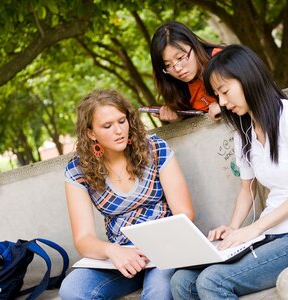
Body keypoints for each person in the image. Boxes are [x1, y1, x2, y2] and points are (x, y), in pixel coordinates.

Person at [170, 44, 288, 299]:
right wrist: (233, 227)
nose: (223, 103)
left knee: (211, 282)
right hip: (268, 232)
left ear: (247, 78)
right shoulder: (246, 131)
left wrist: (255, 228)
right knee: (181, 281)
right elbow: (246, 189)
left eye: (225, 91)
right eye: (217, 95)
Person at [59, 89, 194, 300]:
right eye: (107, 126)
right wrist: (113, 251)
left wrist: (153, 245)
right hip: (122, 257)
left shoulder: (155, 148)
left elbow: (184, 213)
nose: (119, 130)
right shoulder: (78, 170)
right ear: (90, 133)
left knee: (158, 293)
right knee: (72, 289)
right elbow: (83, 239)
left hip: (165, 247)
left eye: (122, 121)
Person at [150, 21, 223, 122]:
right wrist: (179, 118)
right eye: (167, 65)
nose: (177, 69)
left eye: (180, 58)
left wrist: (223, 105)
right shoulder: (175, 84)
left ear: (194, 46)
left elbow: (248, 89)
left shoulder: (221, 60)